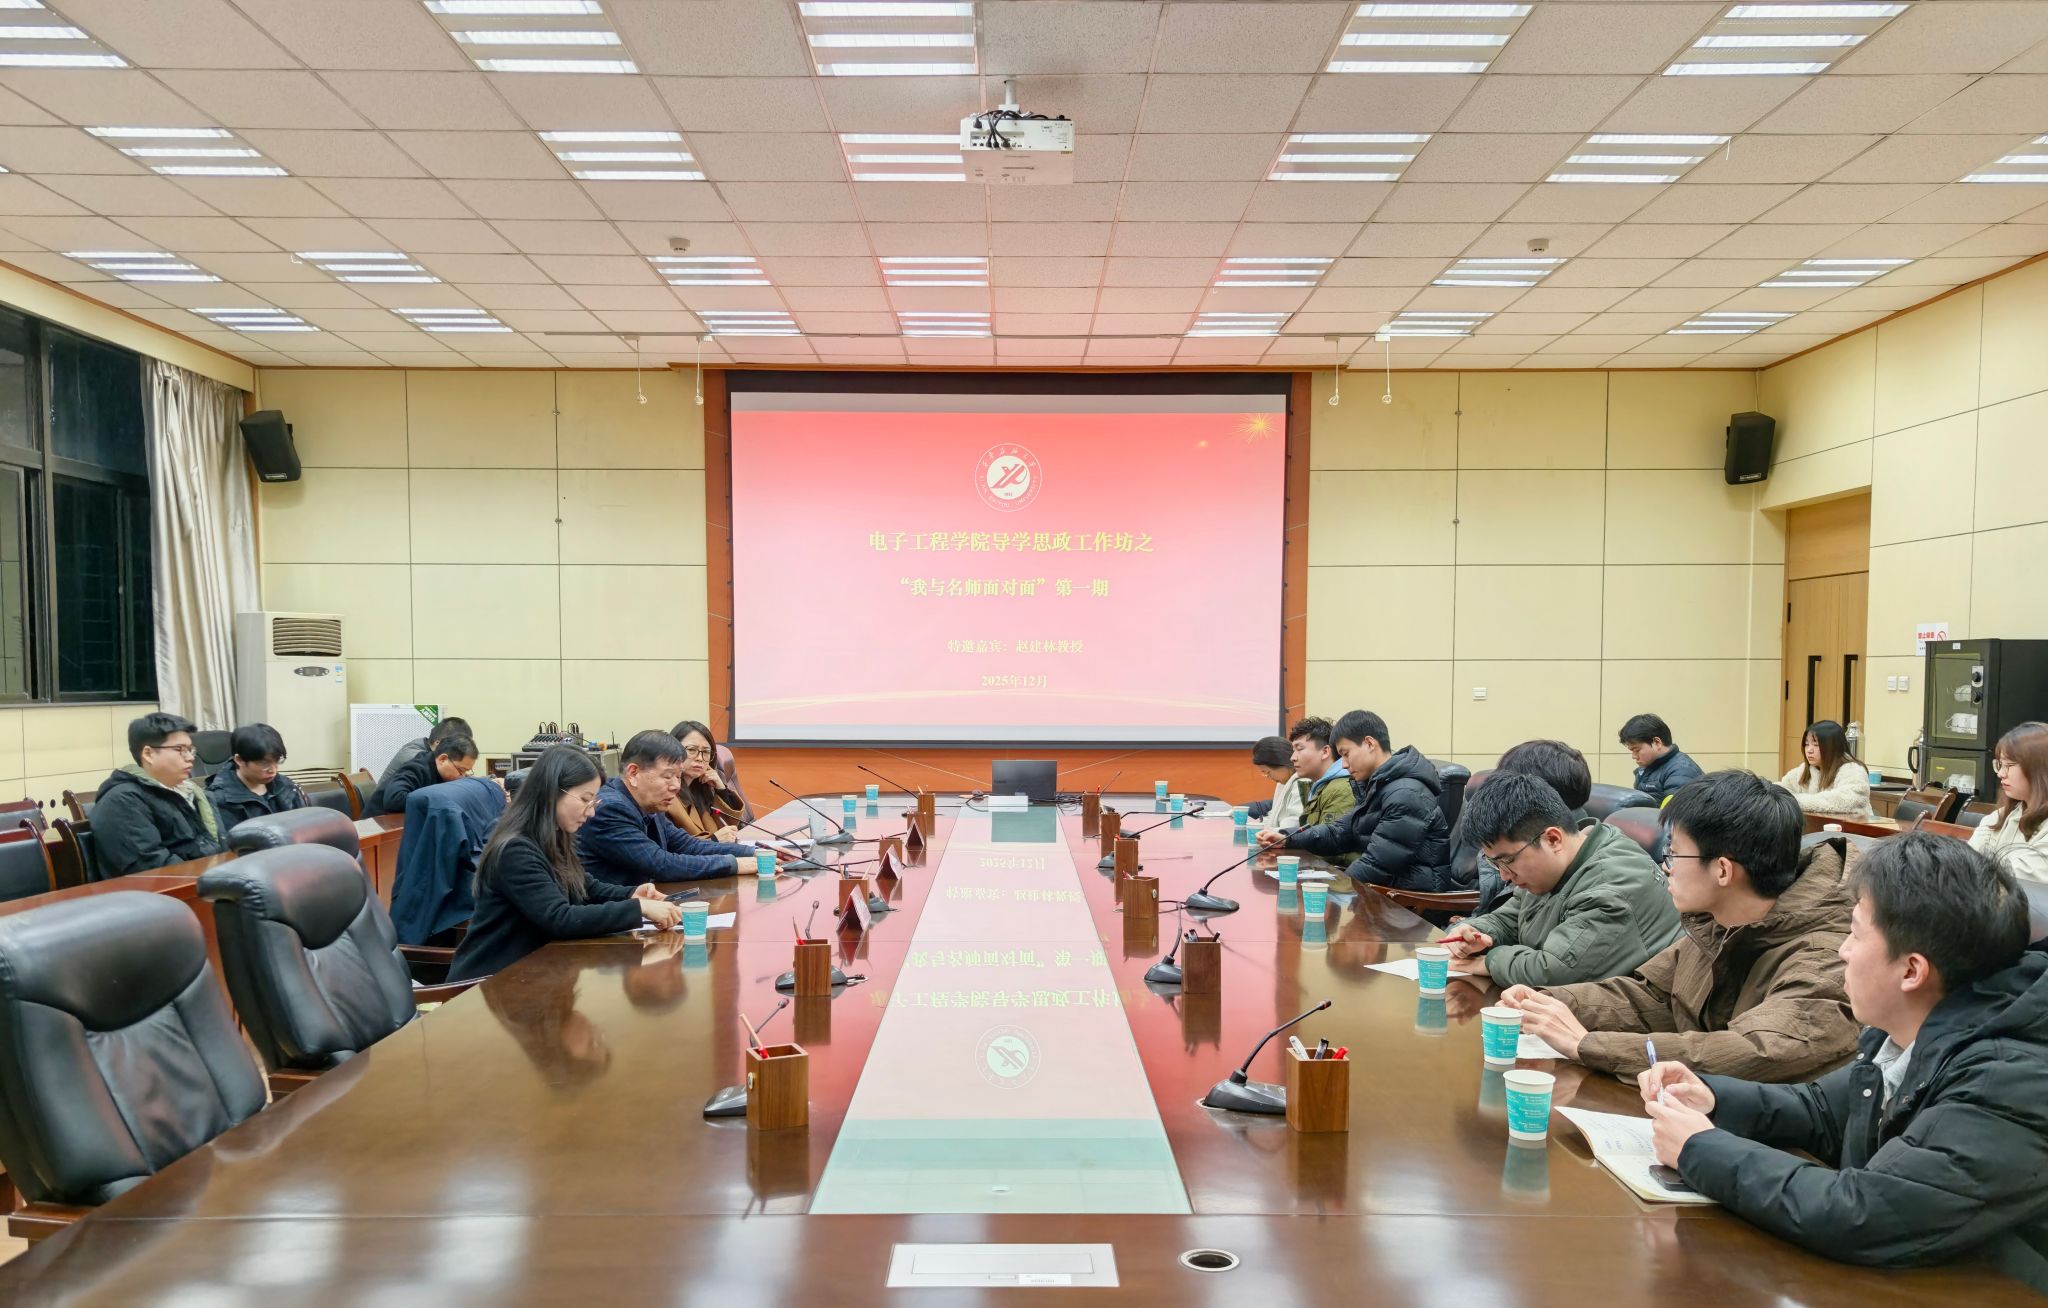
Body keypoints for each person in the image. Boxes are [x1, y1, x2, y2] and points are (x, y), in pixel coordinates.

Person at [1639, 833, 2048, 1285]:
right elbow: (1823, 1111)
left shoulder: (2010, 1078)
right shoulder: (1917, 1028)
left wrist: (1700, 1149)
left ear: (1911, 970)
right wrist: (1711, 1097)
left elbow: (1865, 1212)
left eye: (1855, 933)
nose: (1842, 950)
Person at [1504, 770, 1859, 1081]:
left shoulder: (1828, 955)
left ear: (1722, 870)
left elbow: (1757, 1051)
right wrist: (1548, 1003)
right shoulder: (1720, 919)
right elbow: (1652, 996)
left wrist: (1587, 1044)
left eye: (1673, 853)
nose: (1665, 866)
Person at [449, 746, 683, 983]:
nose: (591, 813)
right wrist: (637, 908)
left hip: (535, 973)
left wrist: (632, 894)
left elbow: (584, 886)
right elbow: (559, 918)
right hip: (489, 983)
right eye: (585, 800)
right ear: (552, 792)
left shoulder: (554, 835)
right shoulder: (515, 848)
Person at [1442, 771, 1679, 987]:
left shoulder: (1612, 887)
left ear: (1553, 839)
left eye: (1508, 861)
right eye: (1495, 864)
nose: (1504, 875)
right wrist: (1475, 931)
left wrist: (1489, 961)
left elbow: (1553, 972)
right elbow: (1510, 918)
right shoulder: (1556, 866)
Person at [1261, 710, 1452, 893]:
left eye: (1346, 754)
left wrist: (1331, 890)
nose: (1344, 764)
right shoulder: (1378, 786)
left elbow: (1377, 864)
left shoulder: (1405, 793)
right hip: (1385, 890)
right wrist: (1287, 838)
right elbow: (1337, 833)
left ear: (1369, 744)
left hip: (1410, 900)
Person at [577, 730, 755, 887]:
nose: (676, 786)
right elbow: (662, 864)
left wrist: (754, 853)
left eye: (678, 777)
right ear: (633, 773)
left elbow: (688, 845)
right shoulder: (611, 808)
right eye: (668, 776)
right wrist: (734, 864)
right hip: (610, 909)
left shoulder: (649, 804)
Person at [1462, 739, 1595, 911]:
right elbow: (1505, 916)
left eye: (1514, 786)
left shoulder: (1542, 852)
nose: (1504, 875)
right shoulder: (1508, 838)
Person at [93, 712, 228, 877]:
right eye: (179, 749)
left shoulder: (193, 792)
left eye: (190, 750)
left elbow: (218, 846)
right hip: (171, 889)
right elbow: (151, 869)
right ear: (148, 754)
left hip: (209, 880)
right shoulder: (124, 800)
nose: (190, 758)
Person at [1970, 721, 2048, 884]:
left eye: (2009, 765)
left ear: (2040, 769)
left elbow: (2021, 877)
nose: (2001, 773)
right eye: (2000, 764)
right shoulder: (2000, 816)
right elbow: (1966, 860)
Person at [205, 723, 309, 830]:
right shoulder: (220, 799)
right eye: (264, 764)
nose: (273, 770)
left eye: (277, 760)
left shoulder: (286, 785)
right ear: (239, 760)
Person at [366, 732, 479, 819]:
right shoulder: (416, 768)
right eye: (461, 770)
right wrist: (438, 801)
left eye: (466, 771)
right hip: (377, 828)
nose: (462, 776)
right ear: (443, 759)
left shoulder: (442, 772)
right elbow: (394, 800)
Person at [666, 720, 747, 841]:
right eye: (691, 750)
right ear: (673, 750)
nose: (700, 758)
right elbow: (672, 846)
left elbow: (731, 827)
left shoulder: (701, 789)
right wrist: (714, 840)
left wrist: (721, 790)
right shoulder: (666, 795)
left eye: (706, 752)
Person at [1776, 719, 1873, 819]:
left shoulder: (1853, 770)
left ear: (1833, 747)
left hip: (1853, 827)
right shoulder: (1804, 770)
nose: (1809, 750)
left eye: (1816, 745)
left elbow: (1845, 800)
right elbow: (1780, 790)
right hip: (1817, 827)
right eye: (1806, 744)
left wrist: (1794, 801)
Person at [1619, 713, 1703, 805]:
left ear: (1657, 742)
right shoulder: (1649, 766)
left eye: (1637, 750)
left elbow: (1674, 812)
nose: (1633, 756)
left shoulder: (1682, 770)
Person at [377, 715, 471, 790]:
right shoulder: (415, 756)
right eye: (457, 748)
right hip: (386, 807)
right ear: (438, 742)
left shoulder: (425, 747)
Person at [1243, 735, 1304, 833]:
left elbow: (1293, 823)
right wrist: (1259, 826)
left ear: (1282, 763)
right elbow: (1274, 815)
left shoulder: (1301, 784)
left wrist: (1268, 832)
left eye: (1267, 772)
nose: (1268, 776)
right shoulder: (1283, 782)